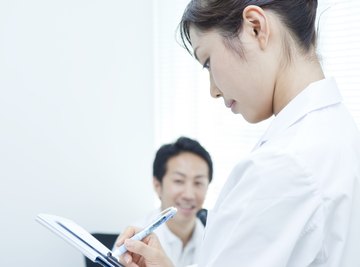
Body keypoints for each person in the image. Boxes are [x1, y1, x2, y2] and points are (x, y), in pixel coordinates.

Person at [116, 1, 360, 266]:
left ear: (255, 27)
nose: (213, 90)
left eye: (207, 62)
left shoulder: (282, 164)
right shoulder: (339, 131)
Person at [113, 136, 213, 267]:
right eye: (179, 181)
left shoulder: (215, 240)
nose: (189, 195)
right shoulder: (133, 241)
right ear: (157, 185)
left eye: (198, 182)